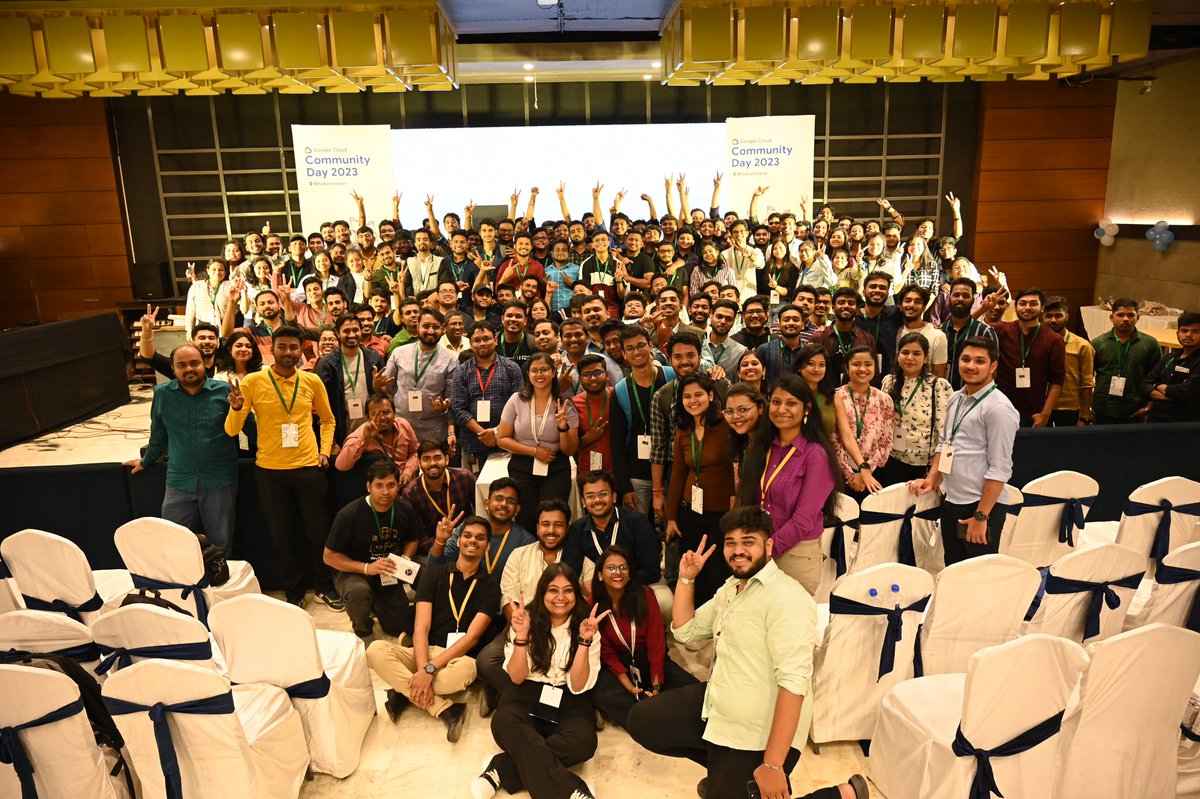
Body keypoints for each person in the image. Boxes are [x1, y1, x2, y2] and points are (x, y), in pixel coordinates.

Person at [628, 508, 868, 799]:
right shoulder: (731, 588)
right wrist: (687, 579)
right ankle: (731, 779)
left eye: (748, 542)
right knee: (643, 720)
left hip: (757, 732)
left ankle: (839, 795)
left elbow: (794, 685)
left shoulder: (786, 598)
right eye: (731, 543)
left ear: (768, 547)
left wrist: (772, 764)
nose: (738, 550)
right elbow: (685, 631)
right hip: (718, 706)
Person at [225, 325, 342, 609]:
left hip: (308, 469)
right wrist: (237, 408)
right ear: (272, 349)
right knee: (282, 535)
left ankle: (323, 587)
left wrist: (324, 451)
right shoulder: (252, 381)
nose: (288, 353)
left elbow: (328, 420)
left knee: (318, 533)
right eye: (282, 347)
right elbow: (231, 431)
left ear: (301, 349)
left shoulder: (311, 381)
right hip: (270, 471)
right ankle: (293, 591)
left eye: (293, 347)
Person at [471, 563, 604, 799]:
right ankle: (567, 790)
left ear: (576, 593)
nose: (560, 597)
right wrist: (522, 637)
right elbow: (516, 677)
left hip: (568, 698)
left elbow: (578, 685)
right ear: (542, 593)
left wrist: (584, 641)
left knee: (584, 742)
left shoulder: (588, 627)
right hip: (525, 693)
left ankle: (503, 767)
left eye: (568, 590)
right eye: (553, 590)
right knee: (504, 720)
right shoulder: (525, 620)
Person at [367, 513, 500, 742]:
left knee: (469, 669)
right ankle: (445, 709)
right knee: (375, 651)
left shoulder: (490, 586)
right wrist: (423, 668)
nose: (472, 541)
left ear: (487, 546)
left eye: (480, 538)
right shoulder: (434, 574)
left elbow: (472, 638)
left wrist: (429, 671)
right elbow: (421, 627)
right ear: (458, 541)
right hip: (424, 650)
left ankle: (403, 692)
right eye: (467, 535)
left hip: (456, 658)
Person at [910, 336, 1020, 564]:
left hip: (979, 506)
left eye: (980, 361)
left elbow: (1000, 469)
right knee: (953, 566)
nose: (970, 366)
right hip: (951, 500)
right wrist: (932, 478)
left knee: (978, 575)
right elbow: (945, 443)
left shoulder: (998, 408)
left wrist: (981, 517)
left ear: (993, 366)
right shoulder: (956, 399)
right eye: (966, 359)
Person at [124, 344, 238, 551]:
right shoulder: (162, 393)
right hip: (179, 480)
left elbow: (246, 427)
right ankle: (182, 583)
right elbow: (158, 434)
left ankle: (222, 582)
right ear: (173, 368)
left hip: (219, 479)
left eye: (195, 363)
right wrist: (146, 460)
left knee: (221, 542)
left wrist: (240, 409)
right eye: (182, 365)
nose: (189, 369)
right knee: (172, 541)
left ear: (205, 364)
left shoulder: (224, 391)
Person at [737, 375, 838, 595]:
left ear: (807, 409)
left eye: (791, 403)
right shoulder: (764, 447)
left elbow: (803, 519)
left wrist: (767, 549)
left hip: (796, 554)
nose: (782, 409)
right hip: (761, 547)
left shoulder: (815, 455)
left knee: (790, 624)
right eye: (776, 402)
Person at [589, 546, 697, 728]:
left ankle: (651, 708)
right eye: (611, 568)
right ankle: (650, 716)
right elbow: (607, 655)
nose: (618, 573)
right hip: (618, 666)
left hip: (649, 658)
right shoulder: (593, 605)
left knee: (694, 690)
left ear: (630, 573)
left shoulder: (645, 594)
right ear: (600, 575)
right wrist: (629, 687)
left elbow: (656, 643)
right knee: (601, 692)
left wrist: (655, 686)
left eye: (623, 567)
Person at [323, 460, 417, 640]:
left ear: (398, 485)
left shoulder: (404, 509)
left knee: (397, 627)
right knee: (358, 592)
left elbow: (413, 540)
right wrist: (367, 568)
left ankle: (376, 605)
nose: (386, 491)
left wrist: (405, 557)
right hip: (353, 571)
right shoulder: (348, 515)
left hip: (387, 572)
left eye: (391, 485)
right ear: (368, 486)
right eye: (379, 486)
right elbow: (329, 556)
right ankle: (363, 628)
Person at [664, 372, 737, 605]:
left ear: (711, 395)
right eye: (687, 396)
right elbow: (677, 474)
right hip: (690, 513)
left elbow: (737, 468)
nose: (693, 401)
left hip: (721, 514)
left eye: (699, 395)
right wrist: (671, 517)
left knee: (717, 572)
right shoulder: (682, 430)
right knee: (693, 570)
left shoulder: (726, 425)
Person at [497, 352, 580, 532]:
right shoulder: (517, 399)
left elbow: (569, 450)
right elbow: (502, 438)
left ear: (553, 372)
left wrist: (563, 428)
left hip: (556, 465)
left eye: (544, 369)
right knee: (525, 516)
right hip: (522, 464)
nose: (539, 374)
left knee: (552, 516)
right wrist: (535, 452)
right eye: (534, 370)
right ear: (528, 374)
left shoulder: (565, 404)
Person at [612, 325, 676, 516]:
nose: (636, 352)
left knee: (673, 528)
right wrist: (625, 486)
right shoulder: (620, 391)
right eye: (630, 348)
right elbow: (617, 442)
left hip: (672, 468)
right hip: (637, 473)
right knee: (637, 531)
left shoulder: (671, 376)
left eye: (641, 345)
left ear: (650, 346)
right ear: (623, 353)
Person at [563, 470, 662, 594]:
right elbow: (569, 572)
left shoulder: (637, 522)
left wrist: (609, 583)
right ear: (583, 502)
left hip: (634, 586)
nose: (597, 500)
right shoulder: (577, 529)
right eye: (590, 496)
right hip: (596, 592)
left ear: (614, 497)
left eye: (603, 494)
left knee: (665, 601)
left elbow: (652, 571)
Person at [878, 333, 954, 486]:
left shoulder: (939, 386)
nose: (910, 358)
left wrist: (940, 473)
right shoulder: (888, 382)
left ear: (926, 358)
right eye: (905, 352)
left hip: (926, 467)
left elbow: (949, 437)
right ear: (898, 355)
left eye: (917, 353)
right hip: (892, 461)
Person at [448, 321, 524, 473]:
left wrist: (495, 432)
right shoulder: (461, 371)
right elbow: (458, 408)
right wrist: (482, 433)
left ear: (495, 340)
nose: (482, 343)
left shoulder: (512, 368)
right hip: (472, 444)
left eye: (486, 338)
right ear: (470, 344)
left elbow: (520, 407)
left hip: (506, 441)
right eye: (477, 340)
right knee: (475, 491)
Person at [428, 477, 535, 582]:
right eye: (498, 498)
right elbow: (435, 568)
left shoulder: (526, 542)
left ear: (517, 510)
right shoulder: (469, 528)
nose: (503, 504)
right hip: (464, 593)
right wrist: (440, 541)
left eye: (510, 501)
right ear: (487, 504)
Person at [380, 307, 460, 446]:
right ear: (417, 327)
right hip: (400, 427)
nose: (430, 331)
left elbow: (452, 399)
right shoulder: (399, 353)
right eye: (426, 326)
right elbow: (388, 388)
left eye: (435, 327)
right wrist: (377, 386)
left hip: (434, 432)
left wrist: (445, 408)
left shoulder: (450, 361)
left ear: (442, 329)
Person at [992, 287, 1065, 427]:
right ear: (1015, 307)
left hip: (1033, 413)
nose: (1027, 307)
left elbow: (1057, 380)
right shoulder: (1001, 330)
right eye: (1023, 303)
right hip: (1000, 409)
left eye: (1033, 303)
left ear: (1042, 308)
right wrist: (984, 308)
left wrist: (1045, 414)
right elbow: (969, 327)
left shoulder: (1053, 339)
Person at [831, 346, 895, 500]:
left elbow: (885, 441)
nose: (862, 369)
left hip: (873, 474)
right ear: (846, 367)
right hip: (841, 473)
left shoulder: (884, 399)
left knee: (871, 521)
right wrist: (850, 473)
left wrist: (867, 471)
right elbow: (833, 439)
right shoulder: (835, 397)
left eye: (868, 364)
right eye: (856, 364)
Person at [315, 314, 385, 448]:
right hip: (342, 432)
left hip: (373, 431)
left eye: (355, 330)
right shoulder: (326, 364)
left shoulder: (373, 357)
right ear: (338, 334)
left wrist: (377, 388)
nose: (352, 335)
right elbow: (321, 407)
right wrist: (331, 441)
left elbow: (385, 395)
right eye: (346, 331)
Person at [1089, 299, 1162, 424]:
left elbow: (1158, 377)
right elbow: (1086, 377)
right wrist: (1087, 408)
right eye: (1120, 315)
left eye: (1130, 315)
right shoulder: (1098, 343)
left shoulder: (1150, 344)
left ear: (1138, 317)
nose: (1126, 319)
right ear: (1111, 317)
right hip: (1103, 407)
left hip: (1136, 407)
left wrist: (1149, 407)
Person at [399, 439, 477, 556]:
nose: (432, 463)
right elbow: (420, 537)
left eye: (437, 458)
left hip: (469, 542)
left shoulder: (464, 477)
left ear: (446, 459)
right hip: (435, 548)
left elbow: (482, 511)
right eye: (426, 459)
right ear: (419, 463)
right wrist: (445, 546)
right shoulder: (411, 493)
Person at [333, 393, 419, 480]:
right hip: (381, 487)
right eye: (375, 414)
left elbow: (415, 452)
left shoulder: (404, 425)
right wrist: (365, 438)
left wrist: (407, 472)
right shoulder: (360, 435)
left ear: (394, 413)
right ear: (367, 417)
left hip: (406, 483)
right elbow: (341, 465)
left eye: (386, 412)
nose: (382, 418)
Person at [1043, 296, 1095, 426]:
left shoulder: (1082, 345)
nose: (1053, 320)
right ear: (1042, 317)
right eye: (1048, 316)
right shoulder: (1036, 343)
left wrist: (1084, 416)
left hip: (1069, 407)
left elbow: (1087, 382)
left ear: (1067, 317)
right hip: (1041, 405)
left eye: (1058, 315)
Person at [942, 277, 999, 391]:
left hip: (974, 397)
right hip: (942, 396)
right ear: (949, 298)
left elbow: (993, 370)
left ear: (973, 299)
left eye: (966, 295)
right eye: (956, 295)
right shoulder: (940, 331)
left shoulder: (985, 332)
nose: (960, 299)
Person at [811, 287, 877, 383]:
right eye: (841, 302)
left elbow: (874, 374)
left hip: (858, 394)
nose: (846, 306)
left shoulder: (867, 339)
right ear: (833, 308)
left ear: (858, 309)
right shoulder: (819, 338)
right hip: (827, 394)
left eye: (851, 303)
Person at [1144, 311, 1200, 423]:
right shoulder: (1170, 357)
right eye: (1184, 331)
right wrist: (1173, 397)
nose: (1188, 335)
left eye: (1195, 331)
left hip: (1184, 422)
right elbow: (1146, 384)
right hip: (1156, 418)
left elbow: (1185, 391)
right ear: (1177, 333)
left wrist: (1157, 385)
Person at [572, 354, 615, 474]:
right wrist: (586, 439)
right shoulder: (574, 404)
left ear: (607, 375)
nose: (593, 378)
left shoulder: (618, 395)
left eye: (598, 373)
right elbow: (569, 448)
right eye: (586, 375)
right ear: (580, 379)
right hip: (587, 473)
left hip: (619, 472)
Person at [856, 270, 904, 377]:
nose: (877, 290)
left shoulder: (895, 313)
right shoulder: (853, 316)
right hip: (858, 375)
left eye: (882, 288)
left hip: (887, 378)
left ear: (888, 293)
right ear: (864, 292)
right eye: (873, 286)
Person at [895, 284, 948, 379]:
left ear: (924, 307)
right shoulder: (894, 332)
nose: (911, 305)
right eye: (908, 301)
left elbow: (939, 376)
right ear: (900, 306)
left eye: (917, 302)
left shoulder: (937, 336)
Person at [755, 304, 808, 387]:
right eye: (786, 320)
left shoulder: (808, 352)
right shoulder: (765, 350)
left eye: (795, 320)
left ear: (802, 325)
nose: (791, 323)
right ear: (778, 324)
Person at [792, 343, 838, 436]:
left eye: (821, 365)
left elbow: (847, 436)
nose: (817, 369)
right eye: (811, 364)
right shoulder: (788, 394)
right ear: (799, 367)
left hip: (824, 448)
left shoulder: (833, 396)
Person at [724, 382, 765, 481]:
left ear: (761, 408)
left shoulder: (774, 444)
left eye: (742, 410)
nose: (735, 416)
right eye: (729, 411)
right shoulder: (743, 441)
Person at [703, 298, 748, 375]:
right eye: (719, 317)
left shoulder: (740, 352)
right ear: (711, 315)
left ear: (734, 321)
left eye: (728, 319)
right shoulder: (698, 344)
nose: (723, 322)